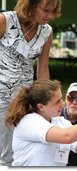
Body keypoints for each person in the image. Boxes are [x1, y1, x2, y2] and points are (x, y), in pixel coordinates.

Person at [5, 79, 77, 166]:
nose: (62, 104)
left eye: (62, 99)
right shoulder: (29, 121)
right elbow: (67, 137)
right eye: (57, 102)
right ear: (41, 107)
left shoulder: (61, 122)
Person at [0, 0, 62, 166]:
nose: (50, 15)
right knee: (3, 149)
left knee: (18, 146)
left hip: (24, 97)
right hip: (0, 94)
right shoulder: (5, 21)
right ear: (31, 5)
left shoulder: (46, 31)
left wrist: (48, 97)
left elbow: (42, 68)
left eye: (53, 11)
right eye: (46, 10)